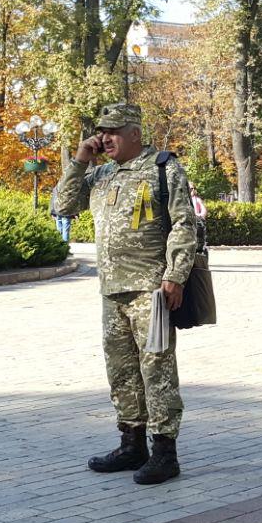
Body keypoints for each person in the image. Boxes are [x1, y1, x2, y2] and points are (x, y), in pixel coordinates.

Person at [53, 103, 196, 485]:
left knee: (157, 371)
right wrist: (80, 159)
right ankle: (132, 443)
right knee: (121, 371)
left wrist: (176, 275)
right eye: (101, 131)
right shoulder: (101, 174)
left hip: (151, 289)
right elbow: (62, 205)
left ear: (135, 133)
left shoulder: (164, 168)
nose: (105, 138)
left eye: (113, 131)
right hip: (111, 289)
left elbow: (184, 224)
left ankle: (165, 451)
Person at [189, 185, 208, 254]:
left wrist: (200, 216)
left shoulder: (197, 199)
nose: (193, 190)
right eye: (191, 188)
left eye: (194, 188)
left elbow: (204, 211)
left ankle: (199, 248)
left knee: (199, 227)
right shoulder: (183, 200)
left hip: (196, 220)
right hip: (187, 220)